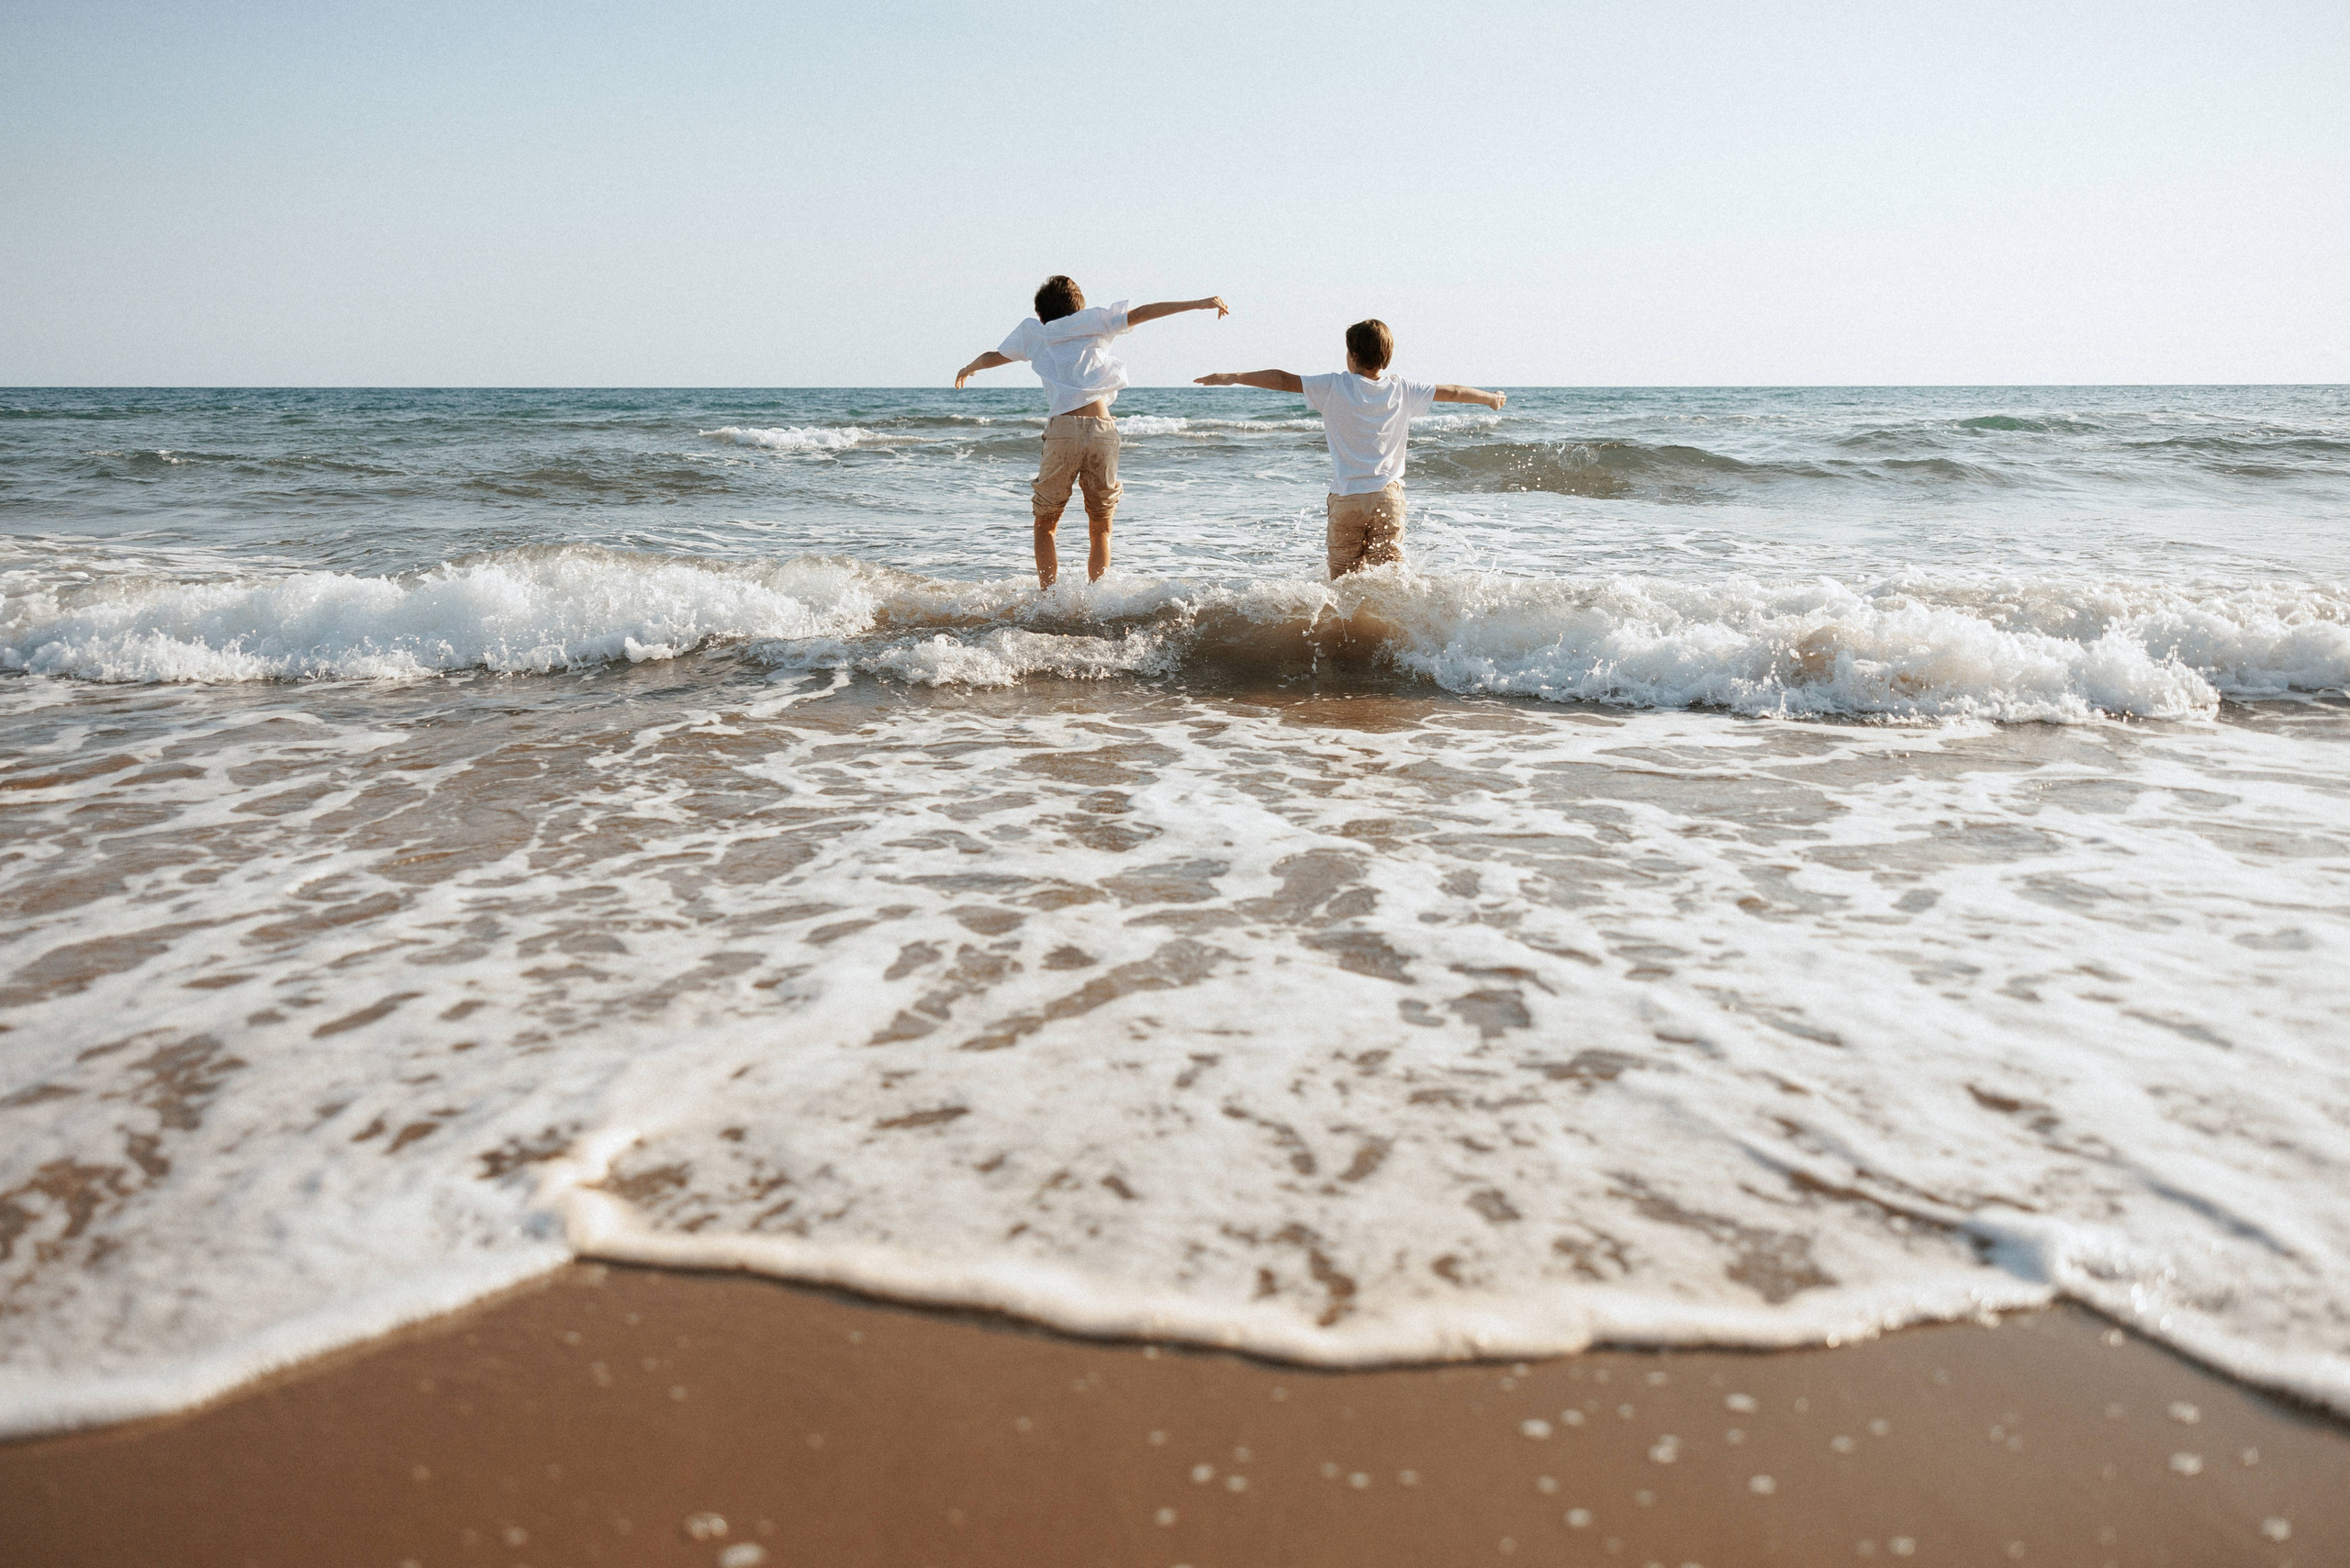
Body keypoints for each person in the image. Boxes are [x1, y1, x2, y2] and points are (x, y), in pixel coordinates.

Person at [956, 276, 1227, 588]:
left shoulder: (1035, 333)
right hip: (1103, 429)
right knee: (1101, 526)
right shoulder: (1095, 321)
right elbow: (1146, 312)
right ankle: (1098, 601)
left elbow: (995, 356)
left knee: (1045, 524)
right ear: (1077, 307)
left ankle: (1049, 600)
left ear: (1042, 313)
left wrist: (969, 367)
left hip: (1064, 430)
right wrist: (1198, 303)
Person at [1195, 319, 1505, 577]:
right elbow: (1452, 392)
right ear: (1387, 356)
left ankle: (1348, 643)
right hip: (1388, 497)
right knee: (1389, 580)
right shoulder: (1403, 389)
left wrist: (1234, 377)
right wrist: (1489, 397)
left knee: (1343, 583)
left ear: (1353, 354)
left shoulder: (1333, 387)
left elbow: (1282, 379)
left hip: (1347, 498)